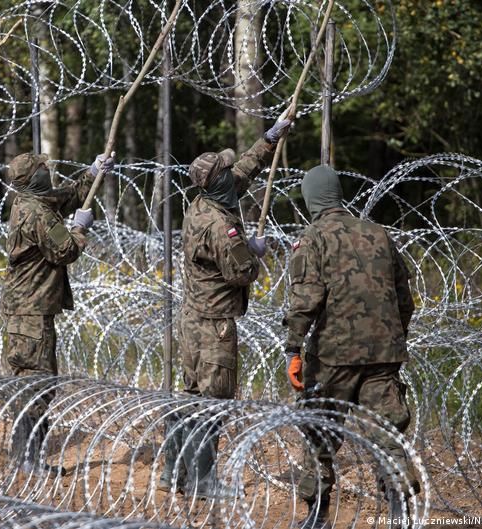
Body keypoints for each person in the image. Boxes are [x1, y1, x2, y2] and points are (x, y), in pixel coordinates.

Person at [160, 119, 290, 499]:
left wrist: (269, 140)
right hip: (216, 324)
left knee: (189, 395)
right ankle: (203, 481)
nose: (233, 173)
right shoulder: (220, 227)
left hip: (192, 318)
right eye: (226, 171)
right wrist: (255, 251)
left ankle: (174, 473)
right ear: (218, 182)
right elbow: (242, 272)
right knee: (212, 402)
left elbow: (243, 171)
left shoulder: (201, 203)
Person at [282, 165, 418, 528]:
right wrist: (391, 337)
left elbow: (306, 300)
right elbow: (405, 299)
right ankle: (399, 514)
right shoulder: (378, 234)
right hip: (383, 354)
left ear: (312, 199)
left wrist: (293, 350)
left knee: (319, 431)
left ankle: (317, 516)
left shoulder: (314, 238)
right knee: (387, 431)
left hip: (333, 356)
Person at [1, 152, 113, 475]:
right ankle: (29, 459)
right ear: (34, 177)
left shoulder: (30, 202)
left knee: (30, 383)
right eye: (42, 169)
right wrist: (79, 229)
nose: (47, 172)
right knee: (36, 385)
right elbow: (64, 250)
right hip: (31, 311)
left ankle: (24, 456)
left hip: (27, 309)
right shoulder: (35, 212)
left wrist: (93, 172)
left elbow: (63, 197)